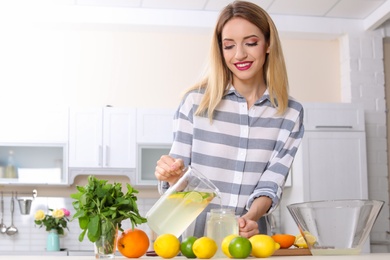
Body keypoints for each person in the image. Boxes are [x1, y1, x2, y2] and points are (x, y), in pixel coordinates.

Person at [154, 0, 304, 238]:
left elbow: (272, 182)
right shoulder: (195, 103)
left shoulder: (289, 113)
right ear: (220, 50)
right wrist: (172, 176)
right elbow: (179, 181)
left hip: (250, 241)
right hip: (195, 243)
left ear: (267, 44)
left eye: (251, 43)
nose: (240, 54)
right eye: (229, 46)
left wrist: (249, 218)